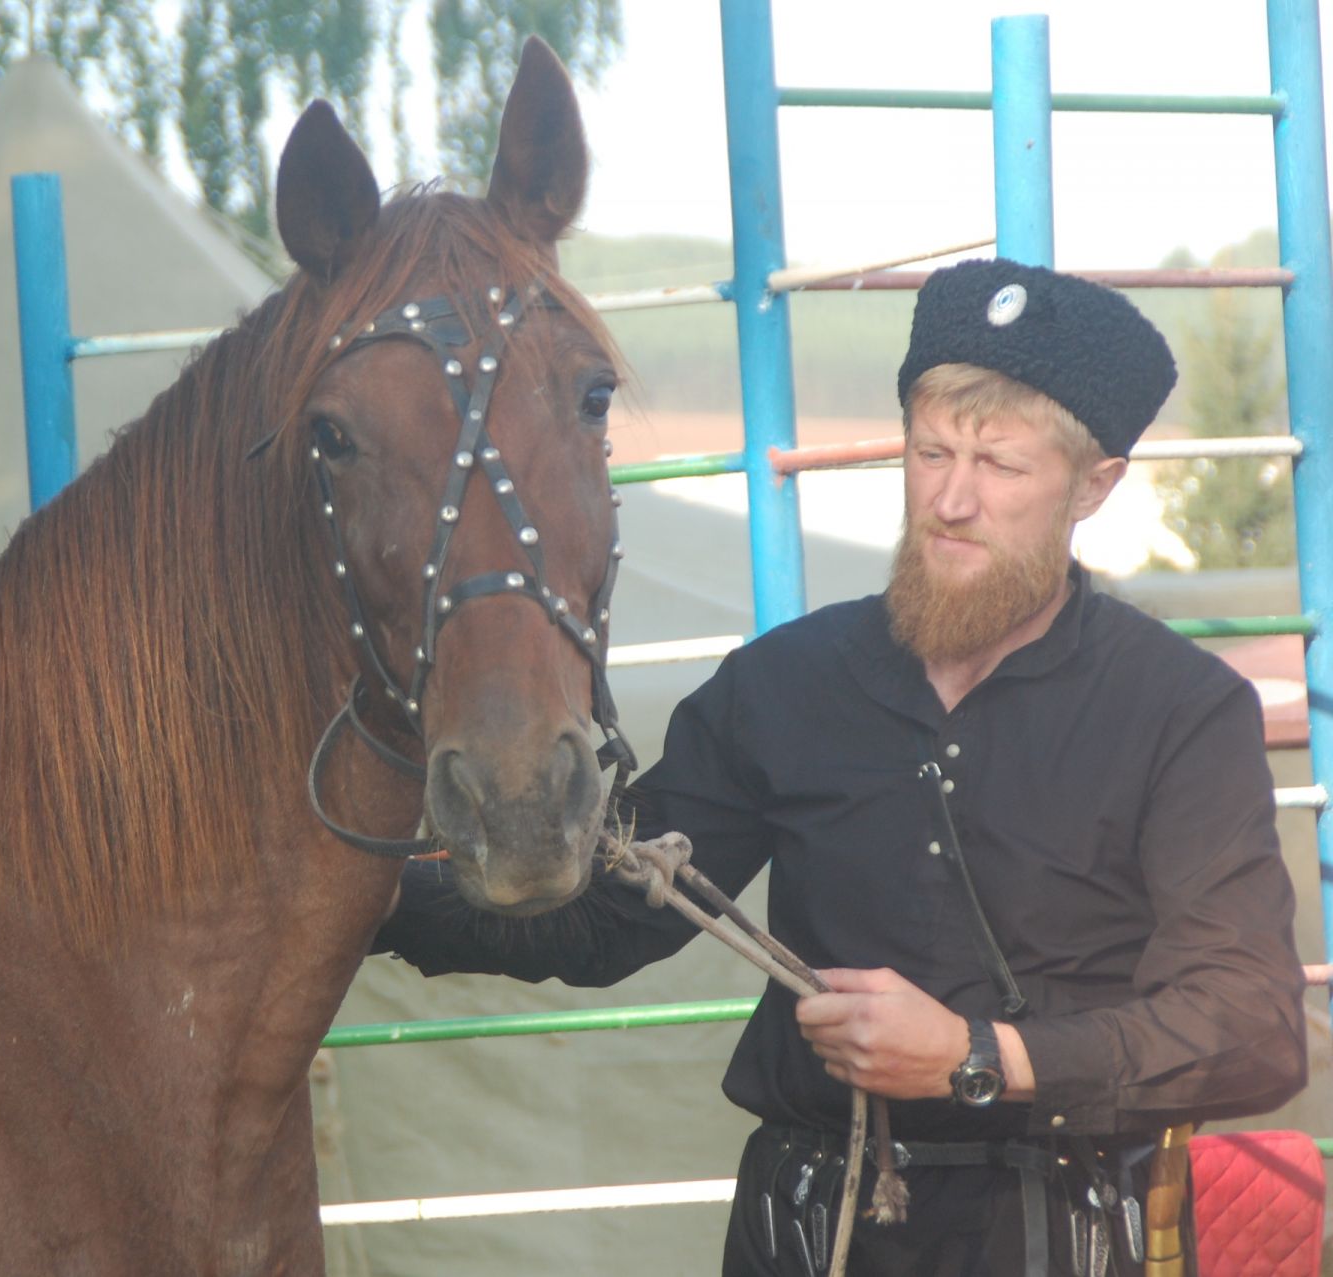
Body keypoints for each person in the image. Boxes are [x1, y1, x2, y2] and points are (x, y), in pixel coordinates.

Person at [372, 259, 1308, 1276]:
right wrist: (368, 896)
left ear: (1095, 484)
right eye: (929, 450)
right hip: (809, 1230)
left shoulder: (1177, 708)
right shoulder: (784, 683)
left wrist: (977, 1055)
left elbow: (1248, 1025)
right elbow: (612, 912)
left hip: (1060, 1229)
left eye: (1000, 465)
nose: (952, 499)